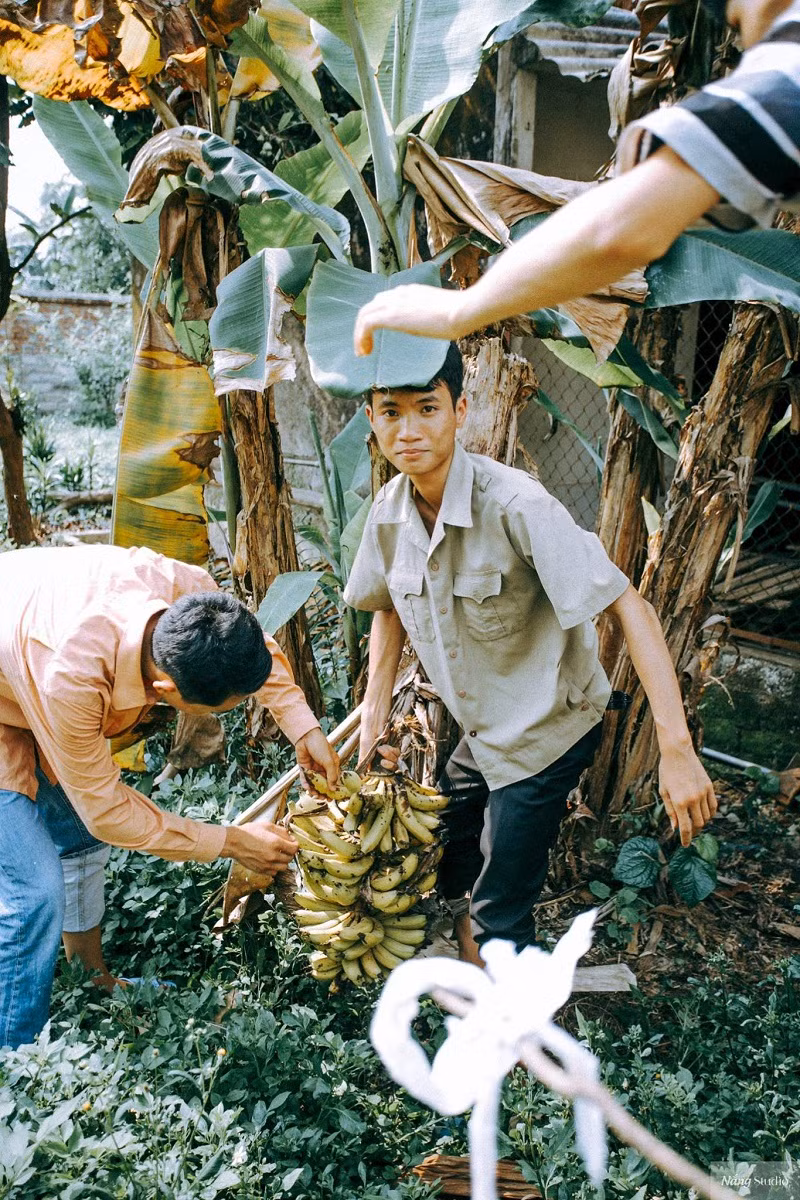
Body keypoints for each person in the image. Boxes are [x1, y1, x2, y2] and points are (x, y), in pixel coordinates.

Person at [343, 344, 716, 965]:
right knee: (447, 846)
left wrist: (676, 750)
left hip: (548, 724)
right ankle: (473, 974)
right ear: (372, 420)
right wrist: (375, 707)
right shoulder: (388, 515)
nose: (409, 431)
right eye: (391, 412)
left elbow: (631, 606)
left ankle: (511, 1025)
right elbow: (384, 603)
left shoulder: (517, 505)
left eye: (427, 409)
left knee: (501, 894)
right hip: (483, 724)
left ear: (460, 410)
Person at [0, 543, 338, 1049]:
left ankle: (93, 980)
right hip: (29, 660)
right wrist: (229, 841)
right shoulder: (71, 677)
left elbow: (251, 647)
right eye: (230, 707)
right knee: (34, 890)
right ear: (165, 689)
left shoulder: (181, 591)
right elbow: (108, 812)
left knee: (75, 838)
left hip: (19, 645)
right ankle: (18, 1062)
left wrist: (301, 726)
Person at [353, 0, 800, 357]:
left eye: (731, 5)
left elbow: (620, 228)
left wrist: (462, 309)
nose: (734, 23)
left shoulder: (788, 69)